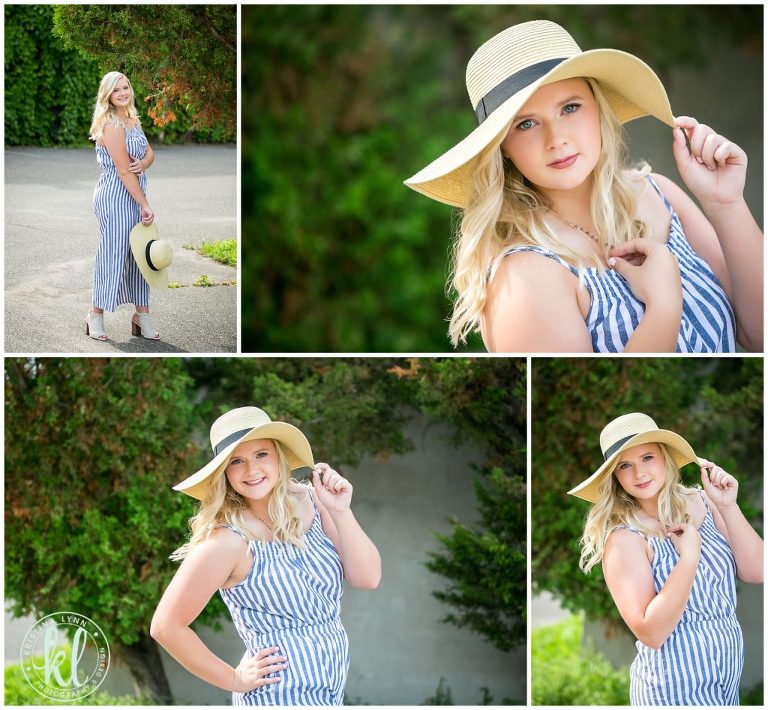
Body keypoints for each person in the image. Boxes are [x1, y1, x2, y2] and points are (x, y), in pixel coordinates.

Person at [405, 20, 763, 353]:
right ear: (503, 149)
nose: (556, 139)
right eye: (526, 124)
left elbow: (757, 334)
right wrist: (663, 305)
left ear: (598, 108)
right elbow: (618, 397)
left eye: (570, 107)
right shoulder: (525, 277)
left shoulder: (659, 193)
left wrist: (725, 203)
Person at [151, 406, 381, 706]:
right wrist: (234, 678)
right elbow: (166, 626)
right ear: (225, 472)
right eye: (237, 461)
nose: (252, 470)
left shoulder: (313, 500)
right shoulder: (227, 541)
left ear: (278, 456)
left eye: (261, 454)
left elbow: (367, 578)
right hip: (276, 695)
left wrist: (340, 511)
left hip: (329, 691)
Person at [568, 412, 763, 705]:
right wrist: (688, 558)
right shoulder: (625, 538)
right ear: (616, 477)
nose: (639, 473)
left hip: (727, 677)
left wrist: (728, 507)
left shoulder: (704, 501)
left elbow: (758, 571)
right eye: (625, 465)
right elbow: (651, 633)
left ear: (665, 458)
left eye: (647, 457)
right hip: (672, 688)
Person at [86, 71, 159, 341]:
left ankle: (143, 316)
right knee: (113, 253)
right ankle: (95, 314)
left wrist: (144, 163)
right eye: (117, 90)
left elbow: (149, 154)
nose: (123, 93)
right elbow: (123, 170)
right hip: (115, 195)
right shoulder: (112, 124)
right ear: (108, 95)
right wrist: (145, 204)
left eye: (125, 87)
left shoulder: (133, 119)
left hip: (135, 192)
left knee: (141, 255)